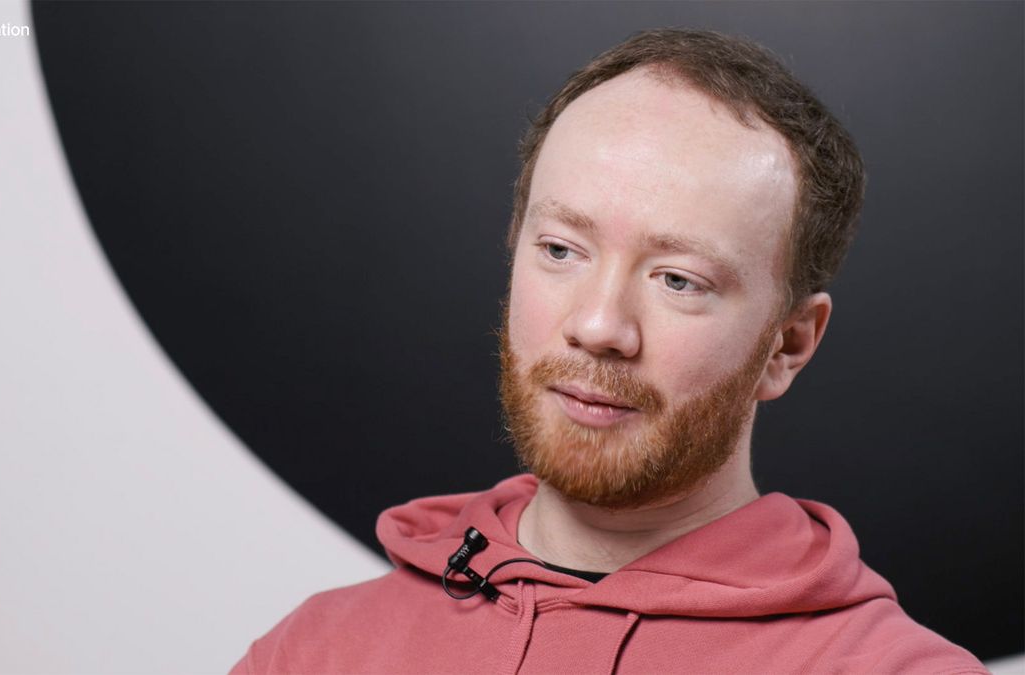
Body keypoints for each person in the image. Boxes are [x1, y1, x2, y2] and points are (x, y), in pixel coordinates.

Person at [232, 29, 986, 674]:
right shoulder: (313, 652)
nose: (598, 326)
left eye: (678, 279)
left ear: (787, 345)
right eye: (561, 249)